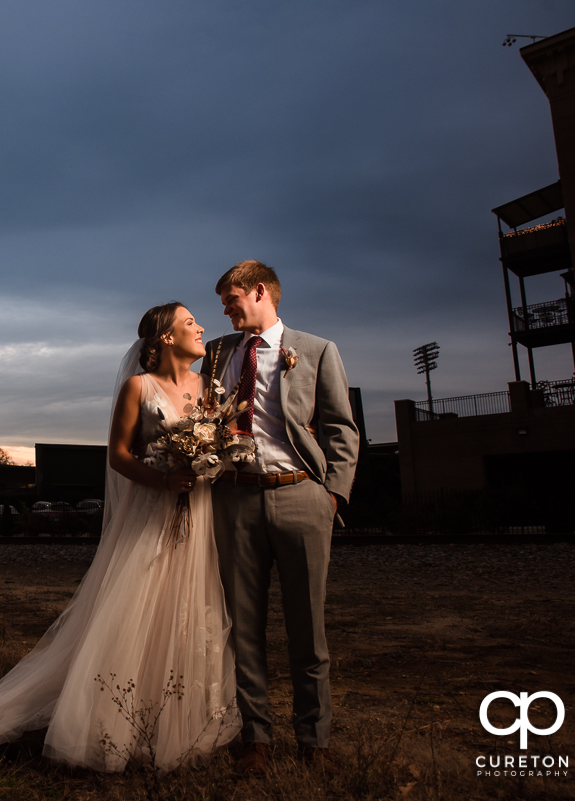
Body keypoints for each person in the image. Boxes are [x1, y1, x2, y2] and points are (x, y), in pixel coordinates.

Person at [0, 302, 241, 772]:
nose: (201, 328)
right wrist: (165, 480)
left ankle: (181, 722)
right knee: (138, 605)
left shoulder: (210, 389)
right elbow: (118, 456)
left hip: (198, 510)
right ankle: (114, 721)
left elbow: (220, 441)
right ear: (166, 337)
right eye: (190, 322)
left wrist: (211, 460)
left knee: (189, 607)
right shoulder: (138, 387)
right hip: (151, 508)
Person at [201, 261, 359, 775]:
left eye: (231, 300)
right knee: (241, 627)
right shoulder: (217, 353)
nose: (224, 311)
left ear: (260, 292)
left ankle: (315, 743)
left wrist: (331, 494)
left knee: (307, 629)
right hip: (235, 500)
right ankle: (256, 740)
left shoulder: (316, 350)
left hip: (300, 497)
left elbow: (341, 428)